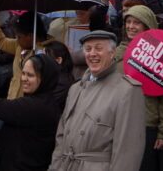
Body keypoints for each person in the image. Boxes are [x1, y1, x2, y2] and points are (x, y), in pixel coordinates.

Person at [50, 30, 146, 170]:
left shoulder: (127, 90)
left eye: (99, 48)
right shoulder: (75, 89)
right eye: (88, 49)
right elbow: (61, 139)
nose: (92, 53)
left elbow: (128, 151)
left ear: (112, 53)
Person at [115, 5, 163, 171]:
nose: (131, 26)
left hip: (146, 125)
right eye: (128, 21)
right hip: (118, 122)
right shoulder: (116, 52)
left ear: (147, 25)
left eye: (136, 23)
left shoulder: (159, 54)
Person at [0, 53, 62, 170]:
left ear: (44, 78)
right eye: (23, 73)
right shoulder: (44, 101)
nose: (24, 79)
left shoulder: (38, 105)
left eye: (30, 75)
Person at [0, 8, 54, 100]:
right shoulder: (19, 46)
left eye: (19, 37)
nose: (17, 40)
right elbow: (1, 41)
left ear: (31, 36)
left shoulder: (47, 53)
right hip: (12, 102)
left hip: (28, 106)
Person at [43, 40, 76, 110]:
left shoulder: (63, 82)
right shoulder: (52, 76)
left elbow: (45, 105)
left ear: (58, 60)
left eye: (45, 58)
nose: (42, 61)